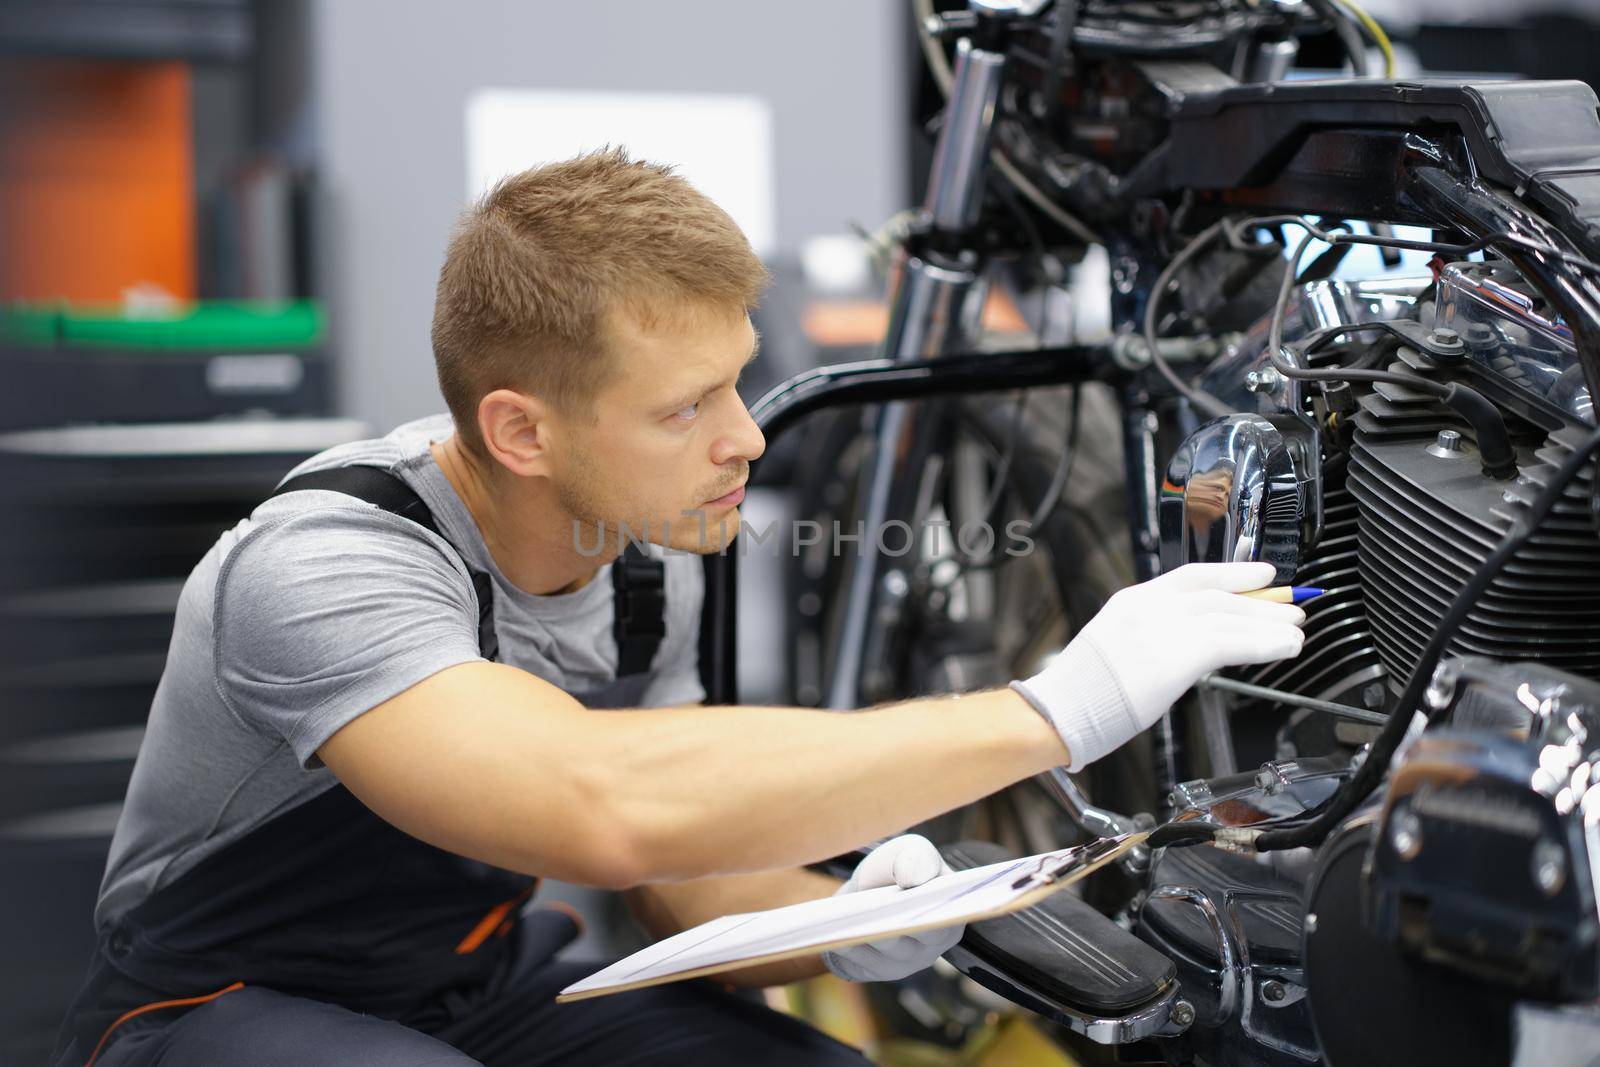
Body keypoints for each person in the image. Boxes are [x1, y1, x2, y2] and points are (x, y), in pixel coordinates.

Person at [52, 149, 1306, 1066]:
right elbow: (594, 802)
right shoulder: (326, 561)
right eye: (683, 407)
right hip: (203, 1004)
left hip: (475, 982)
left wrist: (852, 922)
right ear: (519, 429)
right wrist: (1060, 708)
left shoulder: (655, 549)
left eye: (737, 383)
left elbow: (674, 876)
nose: (747, 438)